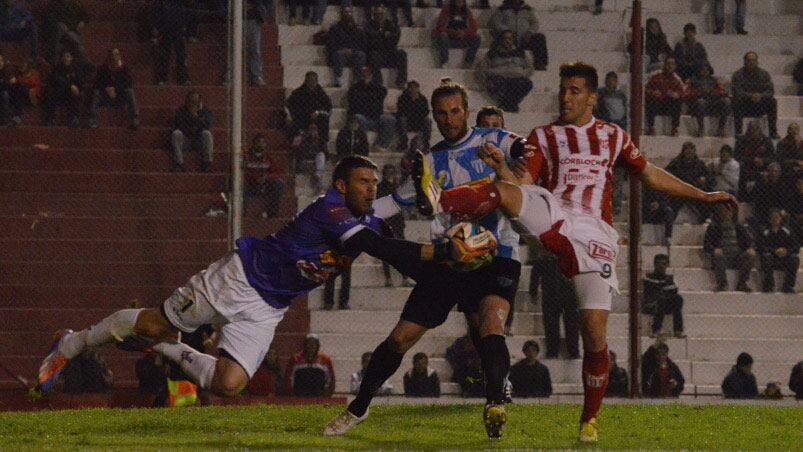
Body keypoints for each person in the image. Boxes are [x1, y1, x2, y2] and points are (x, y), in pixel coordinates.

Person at [409, 62, 738, 442]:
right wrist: (502, 167)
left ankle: (589, 420)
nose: (566, 97)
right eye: (563, 90)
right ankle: (438, 197)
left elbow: (649, 174)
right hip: (553, 209)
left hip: (594, 232)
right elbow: (523, 181)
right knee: (503, 192)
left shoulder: (614, 136)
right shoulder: (543, 136)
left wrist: (704, 195)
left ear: (592, 98)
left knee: (594, 333)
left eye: (575, 91)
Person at [38, 156, 486, 403]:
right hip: (239, 279)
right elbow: (378, 245)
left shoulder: (358, 209)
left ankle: (164, 347)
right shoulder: (331, 211)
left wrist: (419, 190)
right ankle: (72, 344)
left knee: (230, 385)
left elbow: (393, 204)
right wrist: (442, 251)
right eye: (363, 182)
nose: (371, 188)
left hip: (269, 305)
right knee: (156, 321)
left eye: (374, 182)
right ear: (340, 184)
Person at [324, 82, 528, 440]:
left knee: (491, 325)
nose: (449, 119)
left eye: (455, 111)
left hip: (497, 255)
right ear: (433, 116)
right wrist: (353, 217)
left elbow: (523, 146)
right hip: (450, 260)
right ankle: (358, 408)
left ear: (467, 111)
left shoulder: (491, 139)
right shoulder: (430, 162)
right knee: (401, 338)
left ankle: (494, 404)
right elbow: (394, 202)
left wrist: (523, 155)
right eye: (442, 113)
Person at [530, 246, 580, 358]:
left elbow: (535, 275)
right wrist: (533, 291)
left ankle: (571, 351)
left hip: (563, 294)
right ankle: (555, 351)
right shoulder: (544, 258)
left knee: (568, 324)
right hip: (556, 294)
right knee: (553, 324)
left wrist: (533, 292)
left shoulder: (563, 256)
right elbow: (535, 275)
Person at [704, 204, 756, 292]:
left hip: (737, 258)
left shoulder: (739, 227)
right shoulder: (713, 227)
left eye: (727, 211)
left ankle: (742, 283)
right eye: (722, 211)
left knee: (750, 255)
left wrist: (750, 248)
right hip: (722, 257)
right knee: (718, 256)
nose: (725, 213)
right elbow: (706, 245)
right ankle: (722, 283)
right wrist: (714, 250)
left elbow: (749, 242)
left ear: (731, 213)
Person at [480, 30, 533, 113]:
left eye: (510, 38)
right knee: (493, 84)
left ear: (513, 40)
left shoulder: (521, 52)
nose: (508, 41)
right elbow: (483, 68)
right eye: (505, 38)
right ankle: (512, 105)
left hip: (517, 78)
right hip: (499, 79)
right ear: (501, 40)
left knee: (527, 83)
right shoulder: (492, 53)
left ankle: (506, 104)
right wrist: (490, 74)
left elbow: (530, 67)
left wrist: (523, 73)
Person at [346, 67, 396, 152]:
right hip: (363, 118)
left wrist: (369, 87)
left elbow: (383, 92)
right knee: (358, 117)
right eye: (364, 73)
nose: (366, 76)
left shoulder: (377, 87)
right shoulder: (356, 87)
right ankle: (363, 145)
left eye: (368, 73)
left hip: (376, 118)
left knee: (390, 119)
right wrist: (368, 93)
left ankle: (381, 146)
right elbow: (352, 99)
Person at [88, 48, 140, 130]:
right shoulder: (103, 69)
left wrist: (115, 89)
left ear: (119, 56)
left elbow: (128, 84)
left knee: (129, 92)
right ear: (109, 57)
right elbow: (96, 84)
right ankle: (92, 120)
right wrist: (107, 89)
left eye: (116, 55)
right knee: (96, 93)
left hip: (119, 97)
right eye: (112, 55)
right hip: (106, 97)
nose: (114, 57)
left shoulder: (124, 69)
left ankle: (134, 119)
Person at [488, 0, 548, 70]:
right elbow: (494, 22)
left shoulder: (527, 9)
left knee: (540, 37)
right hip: (509, 40)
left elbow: (535, 23)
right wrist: (506, 30)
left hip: (524, 40)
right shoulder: (502, 9)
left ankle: (540, 63)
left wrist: (530, 32)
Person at [731, 51, 778, 138]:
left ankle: (773, 132)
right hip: (744, 106)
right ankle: (739, 132)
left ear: (757, 61)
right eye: (749, 60)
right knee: (736, 101)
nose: (751, 62)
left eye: (754, 60)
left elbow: (770, 91)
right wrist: (751, 96)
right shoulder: (737, 75)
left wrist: (761, 96)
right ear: (744, 61)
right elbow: (737, 92)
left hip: (759, 105)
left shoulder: (764, 74)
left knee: (772, 101)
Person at [377, 164, 408, 287]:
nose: (391, 175)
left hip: (394, 221)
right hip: (388, 221)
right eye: (389, 173)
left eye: (392, 173)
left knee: (399, 250)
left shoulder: (394, 187)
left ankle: (402, 277)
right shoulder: (383, 188)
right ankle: (391, 278)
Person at [665, 142, 710, 222]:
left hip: (694, 189)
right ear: (683, 151)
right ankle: (670, 219)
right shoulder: (676, 163)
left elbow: (708, 175)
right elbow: (666, 172)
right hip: (680, 190)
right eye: (687, 150)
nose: (689, 152)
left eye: (691, 150)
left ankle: (705, 217)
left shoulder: (699, 164)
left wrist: (704, 178)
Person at [642, 254, 685, 338]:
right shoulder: (648, 277)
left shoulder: (670, 278)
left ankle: (678, 331)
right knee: (661, 300)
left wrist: (661, 290)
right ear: (655, 264)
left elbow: (674, 290)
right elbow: (650, 291)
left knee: (678, 298)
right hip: (651, 305)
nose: (661, 266)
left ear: (667, 265)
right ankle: (656, 330)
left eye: (664, 264)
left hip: (666, 304)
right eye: (659, 264)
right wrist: (664, 289)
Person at [171, 91, 214, 173]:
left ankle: (207, 163)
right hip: (186, 140)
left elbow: (207, 125)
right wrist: (190, 115)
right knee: (176, 134)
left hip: (199, 141)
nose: (194, 104)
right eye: (192, 101)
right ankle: (179, 163)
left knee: (207, 134)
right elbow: (179, 126)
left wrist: (197, 117)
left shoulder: (205, 112)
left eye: (196, 101)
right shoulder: (181, 111)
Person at [757, 209, 799, 293]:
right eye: (772, 217)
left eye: (777, 217)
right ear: (769, 219)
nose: (774, 219)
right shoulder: (764, 231)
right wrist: (774, 251)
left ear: (780, 218)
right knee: (766, 256)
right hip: (771, 258)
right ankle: (769, 285)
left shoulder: (787, 231)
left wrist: (786, 251)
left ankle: (788, 286)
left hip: (784, 259)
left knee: (795, 258)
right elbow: (760, 246)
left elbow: (796, 246)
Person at [366, 5, 407, 88]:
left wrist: (380, 37)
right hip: (377, 54)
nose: (379, 16)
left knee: (402, 53)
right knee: (373, 54)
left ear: (384, 14)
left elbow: (395, 38)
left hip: (390, 52)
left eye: (381, 14)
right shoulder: (369, 25)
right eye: (377, 14)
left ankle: (401, 81)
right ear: (374, 15)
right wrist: (383, 35)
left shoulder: (391, 24)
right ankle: (378, 81)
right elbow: (371, 40)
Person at [245, 134, 285, 218]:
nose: (261, 144)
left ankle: (272, 214)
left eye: (263, 142)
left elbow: (275, 172)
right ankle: (243, 213)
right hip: (250, 185)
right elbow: (243, 172)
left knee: (278, 183)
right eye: (258, 142)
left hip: (265, 185)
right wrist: (254, 178)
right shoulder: (246, 157)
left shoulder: (268, 158)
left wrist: (266, 178)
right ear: (253, 143)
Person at [41, 50, 83, 128]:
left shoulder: (75, 69)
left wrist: (75, 88)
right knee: (51, 94)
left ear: (71, 58)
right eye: (63, 56)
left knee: (75, 94)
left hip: (70, 94)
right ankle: (50, 119)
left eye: (67, 56)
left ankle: (73, 118)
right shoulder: (57, 68)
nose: (65, 58)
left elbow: (79, 82)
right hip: (59, 92)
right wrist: (69, 85)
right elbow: (55, 79)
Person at [326, 7, 367, 88]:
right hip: (340, 53)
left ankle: (356, 79)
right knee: (338, 54)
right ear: (342, 14)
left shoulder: (358, 30)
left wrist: (352, 50)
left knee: (361, 54)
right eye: (346, 12)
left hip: (354, 53)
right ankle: (338, 78)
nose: (348, 14)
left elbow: (363, 44)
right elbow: (330, 44)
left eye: (350, 12)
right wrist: (343, 49)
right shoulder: (335, 28)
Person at [432, 0, 480, 69]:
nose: (459, 1)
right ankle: (445, 63)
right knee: (443, 36)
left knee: (477, 37)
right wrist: (453, 32)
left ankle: (468, 63)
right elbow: (440, 27)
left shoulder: (467, 11)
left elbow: (474, 28)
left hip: (461, 39)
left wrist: (464, 33)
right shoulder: (446, 10)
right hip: (448, 40)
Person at [152, 0, 190, 86]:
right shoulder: (160, 4)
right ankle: (162, 78)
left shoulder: (179, 3)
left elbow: (184, 10)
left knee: (181, 55)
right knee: (164, 55)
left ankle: (183, 78)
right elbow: (155, 12)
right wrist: (156, 26)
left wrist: (183, 25)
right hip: (165, 29)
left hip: (178, 28)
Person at [686, 62, 730, 137]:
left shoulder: (714, 80)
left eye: (707, 69)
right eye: (703, 70)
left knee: (726, 101)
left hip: (712, 102)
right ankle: (701, 128)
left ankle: (721, 128)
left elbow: (722, 92)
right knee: (701, 102)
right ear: (699, 70)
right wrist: (699, 92)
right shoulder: (693, 80)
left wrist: (712, 92)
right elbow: (687, 93)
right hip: (697, 103)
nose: (705, 71)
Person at [645, 56, 685, 137]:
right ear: (664, 65)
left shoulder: (677, 79)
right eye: (668, 63)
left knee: (677, 102)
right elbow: (644, 88)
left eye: (672, 64)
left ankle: (674, 128)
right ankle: (651, 128)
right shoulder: (655, 75)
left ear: (675, 66)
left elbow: (682, 92)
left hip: (668, 106)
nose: (670, 66)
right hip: (656, 104)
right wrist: (653, 92)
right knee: (651, 101)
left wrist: (676, 94)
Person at [286, 71, 332, 142]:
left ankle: (323, 143)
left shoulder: (321, 93)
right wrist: (290, 115)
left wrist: (317, 112)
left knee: (324, 119)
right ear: (306, 81)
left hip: (317, 117)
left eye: (314, 80)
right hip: (303, 116)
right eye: (310, 80)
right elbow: (289, 104)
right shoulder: (299, 92)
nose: (312, 82)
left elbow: (328, 106)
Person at [735, 120, 775, 200]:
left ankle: (764, 200)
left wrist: (763, 161)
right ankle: (743, 198)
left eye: (754, 130)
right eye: (750, 130)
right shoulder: (741, 140)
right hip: (747, 168)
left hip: (762, 167)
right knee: (739, 168)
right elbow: (736, 156)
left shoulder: (767, 141)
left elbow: (773, 157)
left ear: (759, 130)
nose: (752, 133)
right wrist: (752, 160)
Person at [42, 0, 88, 64]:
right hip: (56, 30)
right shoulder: (55, 4)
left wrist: (83, 22)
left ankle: (85, 62)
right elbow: (48, 16)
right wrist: (59, 24)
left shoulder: (75, 5)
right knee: (59, 29)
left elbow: (86, 16)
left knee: (76, 42)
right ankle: (52, 59)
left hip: (70, 30)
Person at [396, 81, 431, 153]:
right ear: (408, 89)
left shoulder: (422, 99)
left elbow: (425, 112)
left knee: (428, 121)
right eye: (411, 88)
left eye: (415, 88)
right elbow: (401, 111)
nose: (413, 89)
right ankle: (403, 143)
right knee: (402, 120)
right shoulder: (403, 98)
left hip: (418, 121)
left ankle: (426, 144)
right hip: (407, 121)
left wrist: (414, 112)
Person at [292, 122, 326, 194]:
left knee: (321, 155)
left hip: (315, 163)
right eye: (311, 130)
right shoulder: (304, 141)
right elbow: (301, 154)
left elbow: (325, 153)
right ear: (308, 131)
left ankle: (317, 176)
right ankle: (320, 185)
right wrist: (313, 152)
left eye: (315, 130)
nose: (313, 132)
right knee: (318, 168)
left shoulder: (320, 141)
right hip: (304, 163)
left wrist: (316, 147)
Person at [0, 52, 27, 126]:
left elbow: (21, 77)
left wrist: (16, 80)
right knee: (4, 95)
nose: (0, 63)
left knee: (20, 91)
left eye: (1, 60)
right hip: (2, 91)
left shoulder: (9, 69)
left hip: (11, 90)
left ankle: (17, 119)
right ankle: (4, 120)